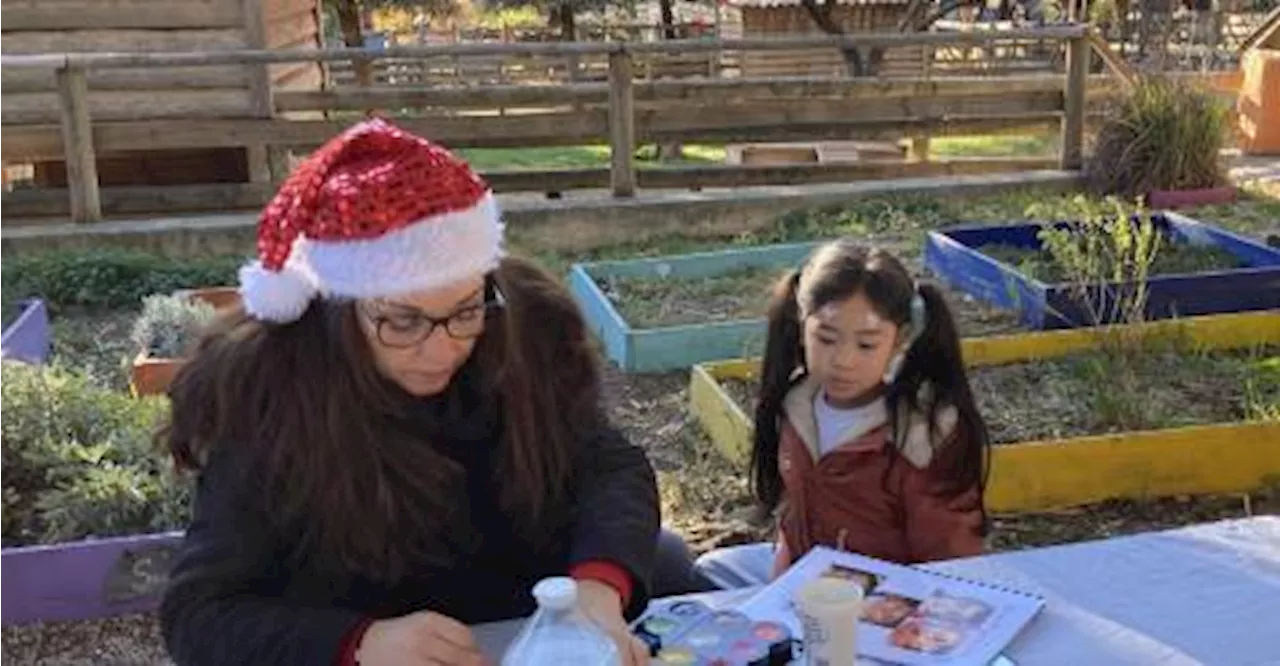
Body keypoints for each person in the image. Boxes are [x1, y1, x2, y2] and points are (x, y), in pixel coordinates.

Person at [157, 119, 711, 666]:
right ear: (339, 311)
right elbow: (200, 615)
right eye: (403, 322)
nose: (442, 348)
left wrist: (596, 588)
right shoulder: (267, 391)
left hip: (530, 623)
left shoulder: (526, 324)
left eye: (465, 311)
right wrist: (356, 644)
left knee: (665, 564)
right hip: (358, 628)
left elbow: (608, 465)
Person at [696, 239, 991, 589]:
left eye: (866, 344)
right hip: (807, 577)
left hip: (885, 598)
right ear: (801, 324)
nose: (843, 361)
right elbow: (794, 521)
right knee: (708, 570)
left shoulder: (921, 435)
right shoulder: (796, 404)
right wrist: (777, 594)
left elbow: (951, 561)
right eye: (826, 338)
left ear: (901, 341)